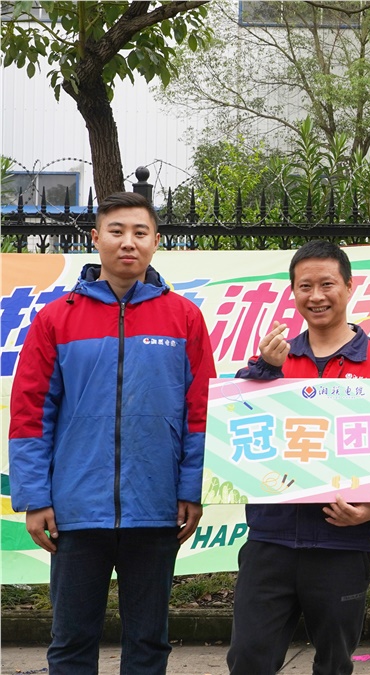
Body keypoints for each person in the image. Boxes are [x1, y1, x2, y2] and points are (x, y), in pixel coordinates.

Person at [8, 191, 216, 673]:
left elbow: (199, 411)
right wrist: (35, 498)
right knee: (71, 641)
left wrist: (190, 489)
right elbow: (31, 413)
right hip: (77, 510)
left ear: (156, 241)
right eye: (117, 231)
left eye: (140, 232)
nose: (128, 242)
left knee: (148, 642)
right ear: (96, 237)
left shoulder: (183, 317)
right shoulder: (57, 318)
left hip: (156, 506)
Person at [226, 240, 370, 675]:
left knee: (334, 662)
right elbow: (235, 422)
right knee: (248, 658)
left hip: (341, 542)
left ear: (349, 286)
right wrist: (265, 371)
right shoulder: (275, 359)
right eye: (305, 286)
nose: (316, 296)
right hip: (271, 539)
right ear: (293, 292)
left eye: (327, 284)